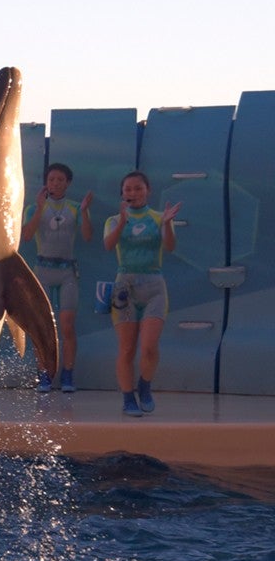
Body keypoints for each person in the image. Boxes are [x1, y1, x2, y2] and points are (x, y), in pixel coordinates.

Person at [102, 170, 179, 417]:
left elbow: (170, 246)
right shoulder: (114, 220)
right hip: (125, 285)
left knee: (148, 346)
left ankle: (144, 386)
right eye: (128, 189)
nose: (133, 193)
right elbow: (108, 245)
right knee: (126, 349)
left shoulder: (159, 217)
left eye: (138, 188)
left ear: (148, 191)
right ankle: (128, 397)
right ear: (122, 193)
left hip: (154, 285)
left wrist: (167, 224)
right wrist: (123, 222)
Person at [23, 162, 94, 393]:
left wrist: (84, 212)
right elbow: (25, 236)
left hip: (67, 272)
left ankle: (67, 374)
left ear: (68, 183)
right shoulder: (34, 208)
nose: (55, 183)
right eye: (52, 179)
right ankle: (44, 374)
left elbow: (88, 237)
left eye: (60, 180)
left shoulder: (75, 208)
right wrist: (41, 208)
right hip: (42, 270)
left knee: (67, 326)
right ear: (46, 182)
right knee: (42, 326)